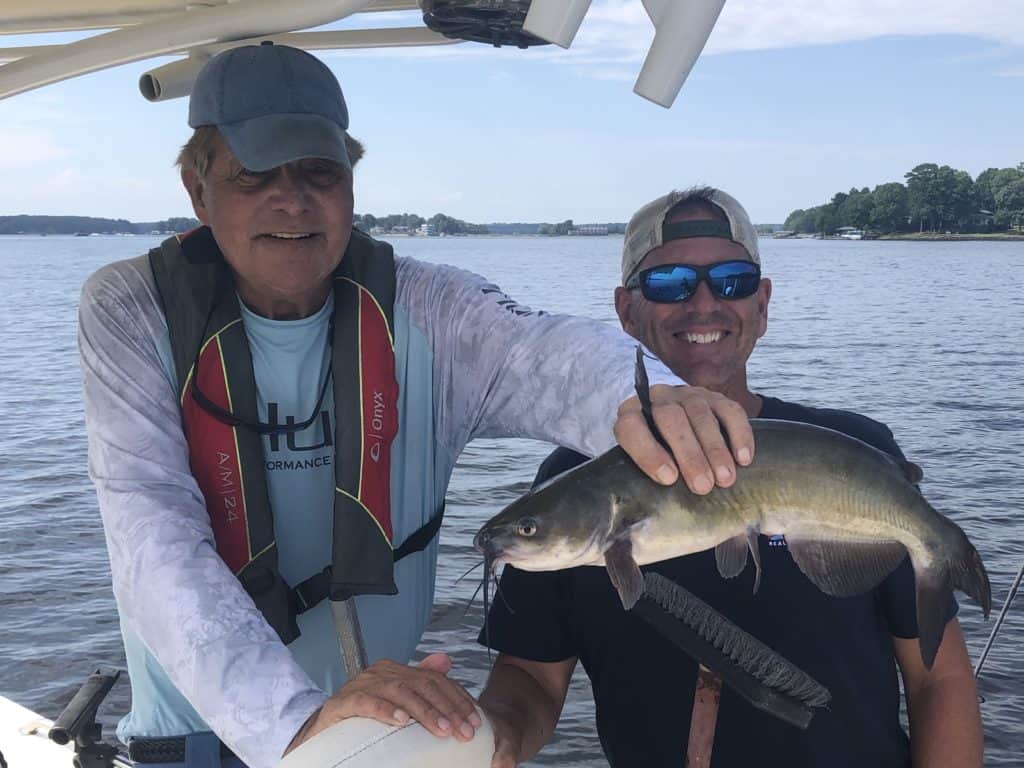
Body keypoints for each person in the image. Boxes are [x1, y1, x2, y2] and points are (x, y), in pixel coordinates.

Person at [77, 45, 755, 768]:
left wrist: (643, 396)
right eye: (253, 174)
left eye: (319, 171)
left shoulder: (427, 306)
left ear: (350, 183)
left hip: (381, 739)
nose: (292, 199)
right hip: (195, 742)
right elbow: (153, 539)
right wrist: (292, 726)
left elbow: (545, 352)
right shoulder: (131, 310)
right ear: (197, 189)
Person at [477, 186, 984, 768]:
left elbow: (937, 677)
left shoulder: (857, 451)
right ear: (625, 311)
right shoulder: (571, 477)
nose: (703, 304)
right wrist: (492, 738)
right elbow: (529, 677)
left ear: (762, 304)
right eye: (668, 284)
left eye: (733, 281)